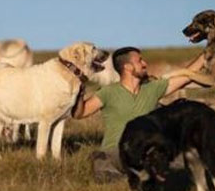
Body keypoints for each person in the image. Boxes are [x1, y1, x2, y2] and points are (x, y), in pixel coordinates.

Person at [72, 47, 205, 183]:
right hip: (116, 152)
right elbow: (80, 113)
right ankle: (138, 178)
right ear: (128, 67)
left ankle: (144, 177)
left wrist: (205, 55)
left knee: (180, 163)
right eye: (139, 61)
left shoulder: (153, 88)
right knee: (102, 165)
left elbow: (186, 76)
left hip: (147, 150)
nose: (144, 64)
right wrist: (80, 93)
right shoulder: (108, 92)